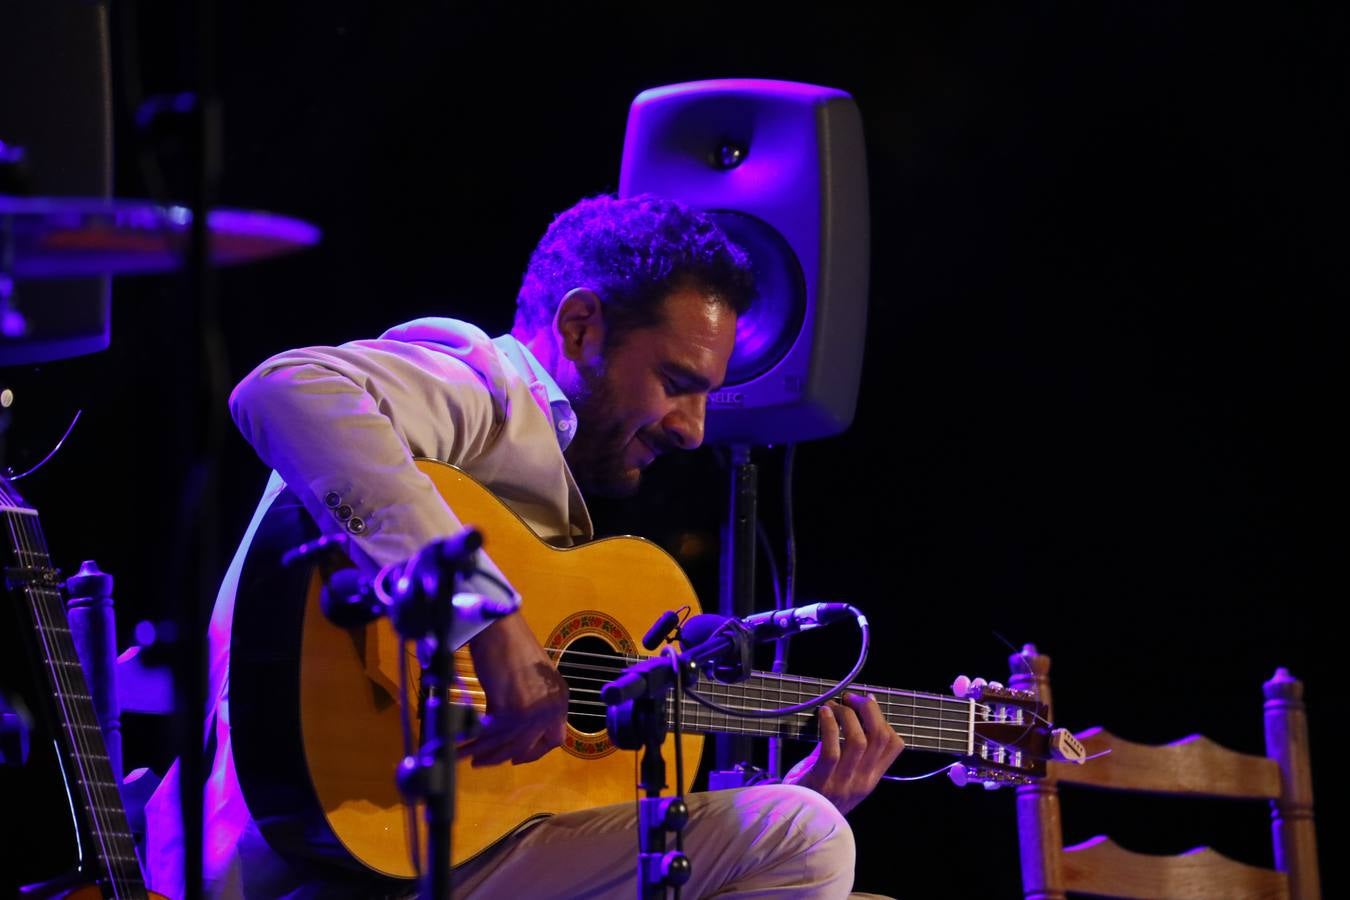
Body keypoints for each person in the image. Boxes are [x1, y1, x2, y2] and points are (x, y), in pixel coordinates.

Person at [144, 194, 904, 898]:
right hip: (300, 856)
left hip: (397, 862)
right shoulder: (485, 388)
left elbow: (549, 801)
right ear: (580, 328)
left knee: (799, 830)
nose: (693, 428)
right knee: (803, 839)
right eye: (677, 381)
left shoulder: (548, 493)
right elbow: (284, 389)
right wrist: (488, 620)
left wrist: (789, 795)